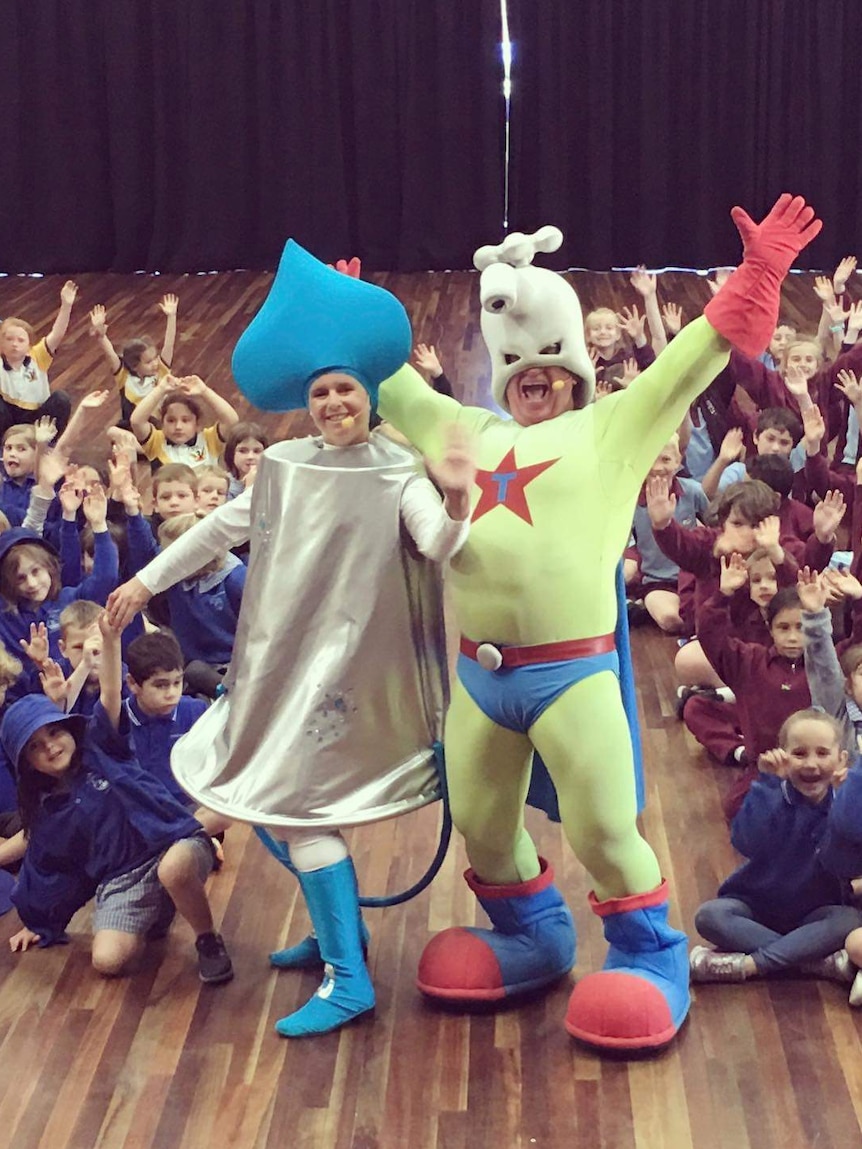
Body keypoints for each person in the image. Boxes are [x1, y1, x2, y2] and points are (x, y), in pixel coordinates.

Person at [364, 196, 821, 1051]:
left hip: (569, 674)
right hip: (480, 676)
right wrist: (354, 326)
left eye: (550, 372)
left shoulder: (613, 423)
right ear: (503, 374)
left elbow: (689, 361)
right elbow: (391, 391)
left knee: (605, 829)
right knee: (480, 818)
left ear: (574, 369)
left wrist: (759, 274)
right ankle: (532, 935)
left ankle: (650, 953)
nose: (536, 386)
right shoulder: (466, 425)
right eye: (522, 376)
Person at [107, 245, 476, 1038]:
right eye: (321, 392)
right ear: (306, 404)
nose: (334, 402)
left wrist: (457, 494)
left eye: (345, 389)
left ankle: (349, 976)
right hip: (279, 667)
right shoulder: (280, 465)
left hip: (346, 681)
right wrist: (145, 581)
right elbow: (215, 528)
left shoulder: (398, 473)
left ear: (368, 396)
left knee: (298, 810)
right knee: (274, 798)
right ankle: (338, 930)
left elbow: (440, 545)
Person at [3, 611, 233, 983]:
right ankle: (159, 909)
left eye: (53, 735)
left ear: (68, 731)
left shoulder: (100, 744)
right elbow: (42, 868)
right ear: (27, 763)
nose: (50, 748)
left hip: (168, 838)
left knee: (177, 864)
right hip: (122, 877)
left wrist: (110, 641)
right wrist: (38, 923)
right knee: (108, 961)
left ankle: (208, 940)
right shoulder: (47, 811)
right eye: (35, 748)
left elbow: (111, 693)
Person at [689, 708, 862, 984]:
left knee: (848, 920)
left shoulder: (844, 806)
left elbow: (844, 862)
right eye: (800, 753)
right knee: (710, 916)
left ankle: (748, 965)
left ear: (841, 759)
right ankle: (811, 961)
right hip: (757, 906)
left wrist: (845, 803)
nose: (811, 764)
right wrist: (767, 782)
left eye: (822, 753)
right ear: (782, 755)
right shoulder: (769, 793)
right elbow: (745, 841)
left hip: (815, 912)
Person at [0, 281, 78, 437]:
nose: (14, 344)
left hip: (36, 417)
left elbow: (57, 334)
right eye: (9, 339)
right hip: (9, 418)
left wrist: (66, 306)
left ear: (29, 344)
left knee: (61, 399)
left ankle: (49, 444)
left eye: (20, 340)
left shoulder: (38, 356)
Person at [88, 296, 179, 424]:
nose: (155, 364)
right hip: (132, 430)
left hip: (157, 430)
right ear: (135, 366)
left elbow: (169, 344)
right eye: (148, 362)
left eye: (155, 359)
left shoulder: (161, 372)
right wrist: (101, 336)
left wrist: (172, 316)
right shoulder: (124, 377)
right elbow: (110, 354)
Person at [130, 375, 238, 469]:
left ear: (197, 423)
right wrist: (160, 389)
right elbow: (136, 421)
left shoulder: (209, 440)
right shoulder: (156, 442)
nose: (178, 426)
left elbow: (231, 420)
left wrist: (204, 391)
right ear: (162, 422)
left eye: (185, 420)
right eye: (171, 420)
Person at [223, 422, 268, 499]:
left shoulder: (271, 482)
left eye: (257, 451)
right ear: (231, 453)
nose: (250, 457)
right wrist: (249, 487)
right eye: (242, 451)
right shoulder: (224, 484)